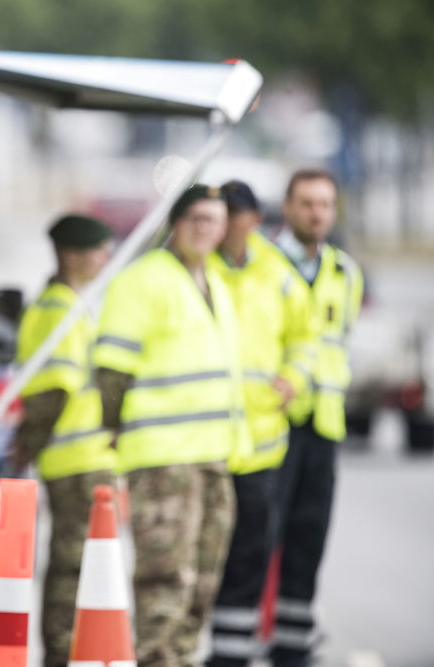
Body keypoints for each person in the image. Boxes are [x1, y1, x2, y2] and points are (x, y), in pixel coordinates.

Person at [93, 184, 250, 667]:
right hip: (164, 459)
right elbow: (112, 371)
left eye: (213, 220)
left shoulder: (215, 282)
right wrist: (115, 429)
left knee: (202, 582)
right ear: (175, 224)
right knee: (165, 583)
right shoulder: (142, 280)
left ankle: (179, 659)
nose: (204, 229)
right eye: (195, 219)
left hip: (212, 455)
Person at [204, 181, 318, 666]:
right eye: (222, 215)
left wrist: (293, 377)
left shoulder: (276, 271)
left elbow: (306, 336)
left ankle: (230, 654)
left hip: (260, 442)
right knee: (201, 556)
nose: (230, 225)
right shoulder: (197, 267)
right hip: (205, 440)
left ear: (253, 219)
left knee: (250, 554)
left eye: (238, 215)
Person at [9, 213, 118, 667]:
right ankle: (61, 653)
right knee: (73, 567)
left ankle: (70, 650)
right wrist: (26, 448)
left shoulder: (70, 302)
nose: (107, 258)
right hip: (76, 460)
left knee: (80, 565)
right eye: (99, 250)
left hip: (82, 456)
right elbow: (53, 390)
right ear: (71, 255)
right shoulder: (59, 308)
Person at [269, 169, 363, 666]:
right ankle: (245, 638)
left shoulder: (345, 272)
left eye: (324, 205)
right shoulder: (265, 266)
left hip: (323, 425)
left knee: (308, 539)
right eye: (306, 203)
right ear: (287, 207)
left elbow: (339, 346)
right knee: (260, 540)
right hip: (274, 421)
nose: (316, 214)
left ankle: (292, 644)